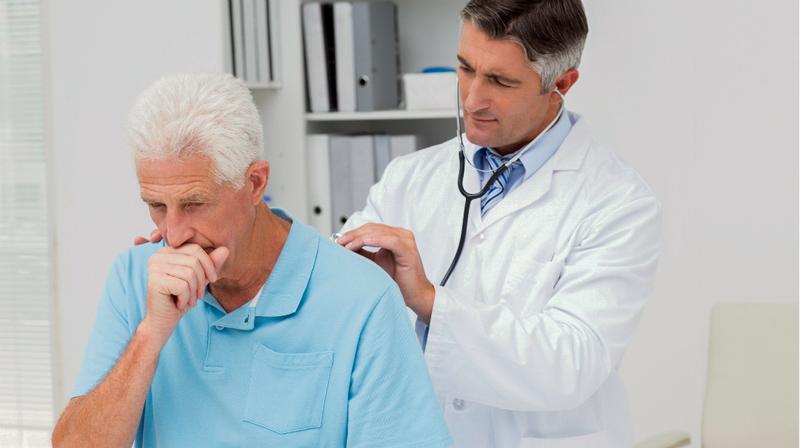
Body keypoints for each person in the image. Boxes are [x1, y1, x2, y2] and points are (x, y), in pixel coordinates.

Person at [51, 74, 451, 448]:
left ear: (255, 183)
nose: (172, 234)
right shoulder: (135, 277)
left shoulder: (360, 296)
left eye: (194, 204)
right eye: (157, 205)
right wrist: (150, 336)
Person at [336, 1, 661, 447]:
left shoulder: (617, 202)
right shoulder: (409, 178)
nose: (472, 99)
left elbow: (572, 363)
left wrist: (431, 302)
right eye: (466, 68)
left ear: (561, 85)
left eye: (500, 81)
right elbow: (336, 285)